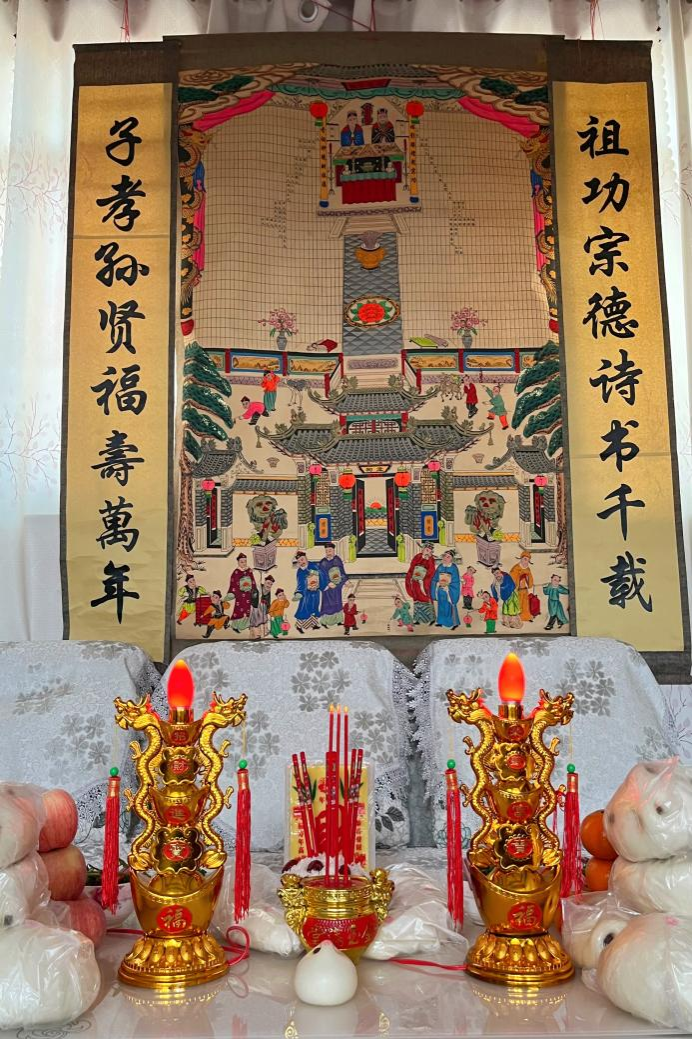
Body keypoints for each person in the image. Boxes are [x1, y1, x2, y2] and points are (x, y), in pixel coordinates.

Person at [318, 542, 348, 628]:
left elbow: (342, 572)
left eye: (330, 551)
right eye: (327, 551)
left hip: (337, 586)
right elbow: (321, 575)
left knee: (337, 602)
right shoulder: (323, 562)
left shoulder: (337, 560)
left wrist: (345, 580)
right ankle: (325, 622)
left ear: (334, 550)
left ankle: (338, 620)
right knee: (327, 604)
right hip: (328, 588)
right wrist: (328, 583)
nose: (328, 553)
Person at [405, 542, 436, 625]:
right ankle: (418, 619)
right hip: (416, 582)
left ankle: (430, 619)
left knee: (426, 598)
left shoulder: (431, 559)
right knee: (417, 599)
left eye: (430, 551)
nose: (428, 552)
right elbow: (412, 567)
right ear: (423, 549)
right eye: (426, 550)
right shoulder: (417, 557)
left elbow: (432, 571)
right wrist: (413, 576)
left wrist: (424, 578)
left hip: (425, 583)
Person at [293, 551, 323, 633]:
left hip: (315, 592)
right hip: (306, 594)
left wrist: (315, 574)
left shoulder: (313, 565)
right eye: (299, 562)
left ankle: (314, 624)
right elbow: (300, 583)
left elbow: (321, 574)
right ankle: (299, 626)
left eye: (302, 559)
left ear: (306, 558)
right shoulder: (300, 571)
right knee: (304, 609)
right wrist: (299, 592)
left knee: (314, 608)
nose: (301, 562)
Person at [227, 553, 258, 634]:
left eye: (245, 561)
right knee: (239, 610)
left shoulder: (249, 570)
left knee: (247, 610)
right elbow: (233, 583)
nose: (244, 563)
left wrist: (254, 589)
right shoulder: (236, 572)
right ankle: (235, 626)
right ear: (238, 562)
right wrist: (236, 591)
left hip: (248, 594)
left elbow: (253, 581)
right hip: (240, 594)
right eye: (242, 562)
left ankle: (245, 625)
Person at [431, 549, 461, 629]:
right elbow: (435, 578)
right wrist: (437, 583)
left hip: (449, 592)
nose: (445, 558)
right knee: (441, 607)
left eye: (448, 557)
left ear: (452, 559)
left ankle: (453, 623)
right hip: (440, 590)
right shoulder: (440, 567)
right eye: (444, 556)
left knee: (449, 607)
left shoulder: (453, 568)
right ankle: (441, 621)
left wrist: (448, 587)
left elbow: (456, 582)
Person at [510, 551, 535, 623]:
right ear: (521, 558)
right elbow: (512, 577)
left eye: (528, 560)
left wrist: (528, 578)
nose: (526, 562)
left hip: (525, 589)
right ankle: (517, 617)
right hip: (517, 590)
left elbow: (530, 579)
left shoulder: (527, 569)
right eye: (525, 559)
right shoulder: (516, 568)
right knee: (518, 603)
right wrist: (520, 576)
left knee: (525, 604)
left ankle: (526, 617)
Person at [249, 574, 273, 640]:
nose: (269, 585)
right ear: (264, 582)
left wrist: (268, 609)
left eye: (271, 584)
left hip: (263, 607)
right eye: (268, 583)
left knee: (263, 620)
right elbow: (253, 597)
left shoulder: (268, 590)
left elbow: (268, 600)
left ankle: (263, 633)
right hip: (256, 606)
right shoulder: (258, 587)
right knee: (255, 621)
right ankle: (256, 635)